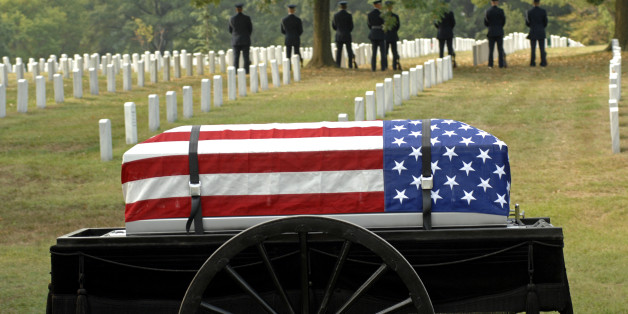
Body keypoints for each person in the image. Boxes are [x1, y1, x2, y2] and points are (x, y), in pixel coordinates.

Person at [229, 3, 253, 74]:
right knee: (246, 56)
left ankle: (236, 71)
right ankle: (246, 71)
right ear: (242, 9)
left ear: (236, 9)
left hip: (235, 40)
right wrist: (246, 35)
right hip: (245, 39)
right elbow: (250, 29)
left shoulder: (232, 19)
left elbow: (230, 30)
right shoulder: (247, 18)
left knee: (236, 56)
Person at [332, 1, 355, 68]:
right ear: (346, 7)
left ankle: (338, 64)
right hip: (347, 34)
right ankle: (350, 64)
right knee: (349, 51)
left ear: (340, 7)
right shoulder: (349, 15)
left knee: (339, 52)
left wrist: (338, 30)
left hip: (339, 35)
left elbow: (334, 26)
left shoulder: (336, 15)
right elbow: (351, 26)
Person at [484, 0, 506, 68]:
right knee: (500, 49)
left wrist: (490, 26)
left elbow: (486, 22)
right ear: (497, 2)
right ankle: (501, 64)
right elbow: (503, 21)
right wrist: (499, 26)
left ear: (491, 2)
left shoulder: (488, 11)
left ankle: (490, 64)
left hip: (491, 32)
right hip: (499, 31)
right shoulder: (501, 11)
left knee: (491, 49)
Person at [526, 0, 548, 67]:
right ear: (539, 3)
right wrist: (541, 27)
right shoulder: (543, 11)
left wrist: (532, 26)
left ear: (533, 3)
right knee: (542, 48)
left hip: (533, 31)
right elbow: (545, 22)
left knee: (533, 49)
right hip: (541, 31)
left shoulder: (529, 12)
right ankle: (543, 62)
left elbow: (527, 22)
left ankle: (532, 62)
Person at [368, 0, 387, 71]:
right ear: (376, 5)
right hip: (380, 33)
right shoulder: (382, 14)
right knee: (382, 52)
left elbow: (369, 25)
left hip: (373, 34)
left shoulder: (370, 14)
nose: (381, 6)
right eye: (380, 4)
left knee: (374, 52)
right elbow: (384, 23)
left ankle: (373, 67)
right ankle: (383, 67)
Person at [383, 1, 401, 70]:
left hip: (392, 35)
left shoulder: (395, 16)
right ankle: (385, 65)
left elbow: (397, 26)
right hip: (386, 36)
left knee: (394, 52)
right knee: (385, 52)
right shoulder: (384, 16)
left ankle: (394, 65)